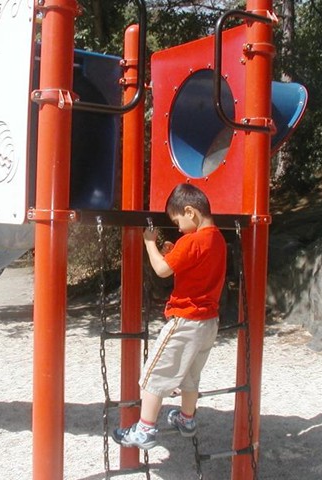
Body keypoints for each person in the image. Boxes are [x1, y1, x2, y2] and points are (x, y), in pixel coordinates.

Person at [112, 183, 227, 449]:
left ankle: (145, 430)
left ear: (190, 212)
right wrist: (172, 252)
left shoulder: (192, 240)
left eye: (177, 221)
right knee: (190, 375)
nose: (178, 228)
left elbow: (162, 270)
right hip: (209, 322)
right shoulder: (217, 239)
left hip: (185, 320)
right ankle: (187, 419)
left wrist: (149, 244)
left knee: (154, 374)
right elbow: (193, 264)